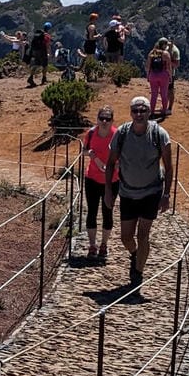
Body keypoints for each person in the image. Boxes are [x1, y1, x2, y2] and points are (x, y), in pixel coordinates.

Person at [105, 95, 173, 287]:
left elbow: (169, 167)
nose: (139, 114)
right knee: (126, 237)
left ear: (149, 112)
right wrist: (109, 191)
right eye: (135, 110)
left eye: (143, 110)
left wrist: (166, 194)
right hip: (127, 192)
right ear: (131, 113)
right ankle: (136, 255)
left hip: (151, 191)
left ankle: (138, 273)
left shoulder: (159, 134)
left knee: (143, 235)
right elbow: (110, 163)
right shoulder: (122, 133)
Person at [80, 105, 115, 263]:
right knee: (92, 211)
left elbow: (123, 154)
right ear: (97, 119)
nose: (104, 121)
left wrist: (114, 166)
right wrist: (91, 155)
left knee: (108, 212)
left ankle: (104, 245)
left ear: (112, 120)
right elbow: (84, 150)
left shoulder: (117, 135)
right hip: (92, 178)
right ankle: (92, 245)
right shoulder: (91, 133)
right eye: (102, 118)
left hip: (111, 180)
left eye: (107, 118)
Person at [145, 37, 172, 117]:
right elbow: (169, 67)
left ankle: (152, 112)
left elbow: (148, 66)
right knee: (164, 94)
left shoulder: (151, 53)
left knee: (154, 95)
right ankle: (164, 112)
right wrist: (170, 76)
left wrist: (148, 75)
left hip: (153, 75)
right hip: (164, 76)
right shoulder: (166, 54)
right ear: (164, 45)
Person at [27, 22, 51, 87]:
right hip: (43, 52)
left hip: (36, 51)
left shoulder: (38, 34)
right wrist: (48, 53)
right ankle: (44, 79)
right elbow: (47, 45)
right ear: (49, 29)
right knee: (45, 65)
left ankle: (31, 77)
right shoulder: (47, 36)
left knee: (36, 64)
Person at [167, 40, 181, 112]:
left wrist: (168, 61)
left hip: (170, 74)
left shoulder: (175, 51)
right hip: (163, 74)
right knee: (164, 90)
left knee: (170, 90)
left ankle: (170, 108)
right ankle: (164, 106)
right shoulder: (165, 47)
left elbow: (176, 64)